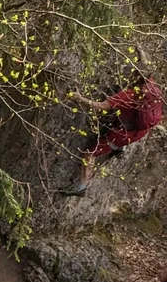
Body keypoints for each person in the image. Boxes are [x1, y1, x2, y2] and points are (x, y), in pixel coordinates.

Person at [64, 61, 163, 196]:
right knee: (121, 116)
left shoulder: (128, 95)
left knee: (90, 153)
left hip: (122, 135)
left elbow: (102, 106)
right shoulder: (151, 87)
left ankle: (81, 187)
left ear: (135, 77)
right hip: (140, 130)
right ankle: (120, 148)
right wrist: (138, 49)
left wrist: (80, 98)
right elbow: (146, 63)